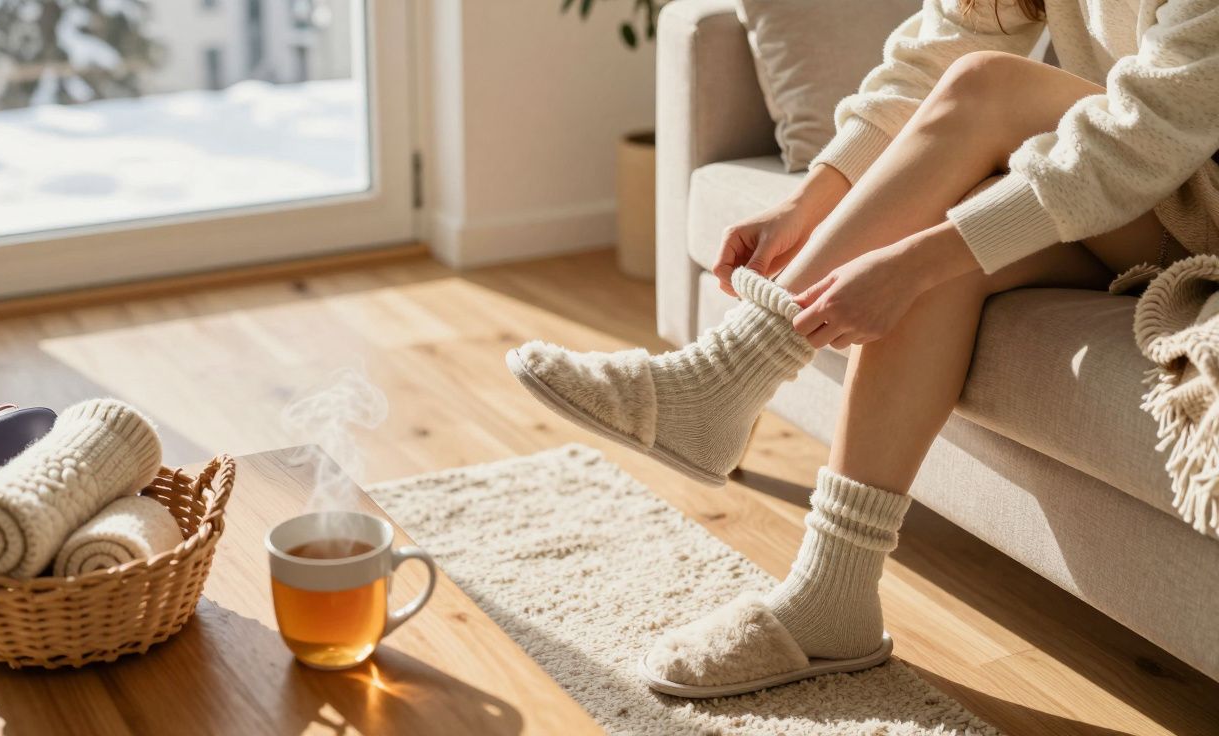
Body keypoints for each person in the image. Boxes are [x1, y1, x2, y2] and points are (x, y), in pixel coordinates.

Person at [505, 0, 1219, 698]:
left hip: (1192, 207)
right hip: (1137, 208)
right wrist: (808, 200)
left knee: (988, 89)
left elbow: (1143, 134)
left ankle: (727, 375)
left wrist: (910, 259)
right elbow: (939, 45)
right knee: (942, 245)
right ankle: (833, 595)